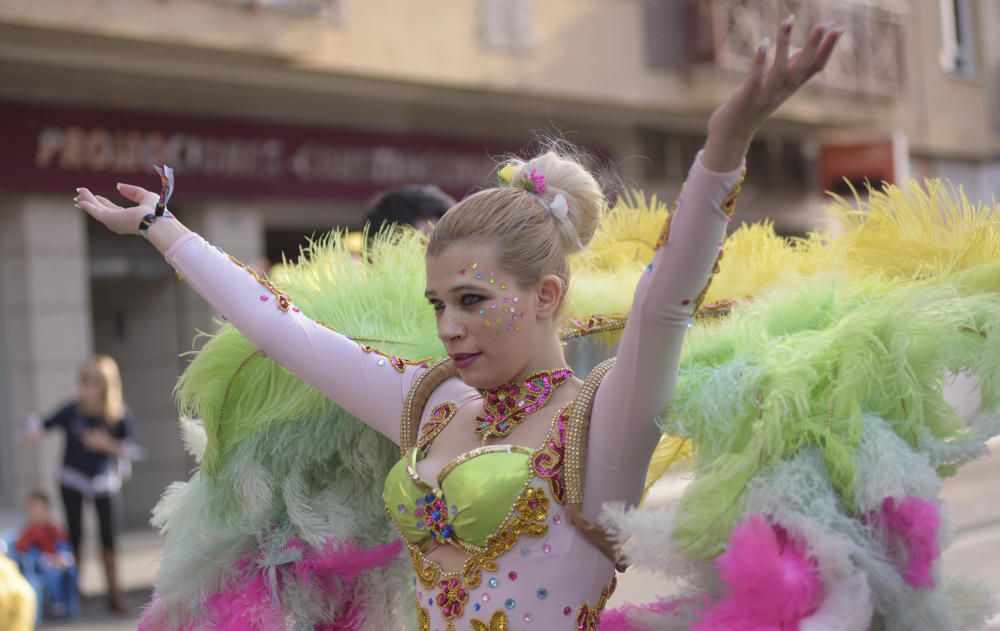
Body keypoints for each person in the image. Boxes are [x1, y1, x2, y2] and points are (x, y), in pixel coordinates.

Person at [74, 18, 840, 630]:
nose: (447, 326)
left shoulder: (600, 424)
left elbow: (667, 296)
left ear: (546, 296)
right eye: (437, 303)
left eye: (473, 301)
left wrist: (724, 147)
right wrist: (162, 228)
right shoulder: (433, 404)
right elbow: (285, 332)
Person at [27, 354, 135, 613]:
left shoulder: (118, 415)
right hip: (72, 477)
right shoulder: (72, 410)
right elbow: (45, 423)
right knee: (75, 533)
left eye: (92, 383)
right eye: (83, 383)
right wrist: (34, 429)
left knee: (108, 534)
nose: (86, 389)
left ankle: (113, 591)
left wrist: (105, 444)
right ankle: (74, 590)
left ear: (106, 386)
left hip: (103, 480)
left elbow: (129, 448)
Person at [13, 491, 80, 623]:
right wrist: (44, 558)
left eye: (39, 509)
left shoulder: (54, 529)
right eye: (31, 509)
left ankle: (67, 604)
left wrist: (61, 556)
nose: (35, 513)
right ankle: (56, 604)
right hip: (38, 567)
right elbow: (23, 550)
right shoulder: (27, 532)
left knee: (71, 572)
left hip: (58, 562)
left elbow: (63, 544)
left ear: (46, 511)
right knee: (52, 575)